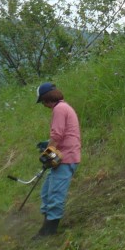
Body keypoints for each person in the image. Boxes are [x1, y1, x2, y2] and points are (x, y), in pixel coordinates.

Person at [34, 81, 81, 237]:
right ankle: (46, 226)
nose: (44, 105)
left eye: (42, 102)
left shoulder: (59, 109)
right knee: (46, 192)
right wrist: (47, 144)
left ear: (47, 99)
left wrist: (48, 153)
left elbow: (57, 135)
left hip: (66, 158)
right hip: (64, 155)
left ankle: (49, 231)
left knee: (55, 194)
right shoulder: (64, 107)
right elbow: (62, 135)